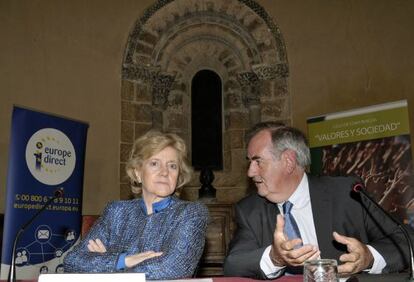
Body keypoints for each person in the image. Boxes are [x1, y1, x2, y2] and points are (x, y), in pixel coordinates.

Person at [223, 121, 412, 279]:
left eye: (258, 162)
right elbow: (233, 264)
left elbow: (406, 240)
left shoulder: (346, 193)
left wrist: (369, 257)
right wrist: (275, 257)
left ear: (288, 161)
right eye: (249, 162)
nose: (250, 172)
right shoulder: (249, 209)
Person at [64, 130, 209, 279]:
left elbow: (173, 267)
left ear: (178, 176)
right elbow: (72, 261)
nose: (165, 172)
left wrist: (106, 266)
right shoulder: (116, 212)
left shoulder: (191, 213)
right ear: (138, 173)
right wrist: (125, 260)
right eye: (154, 163)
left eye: (172, 166)